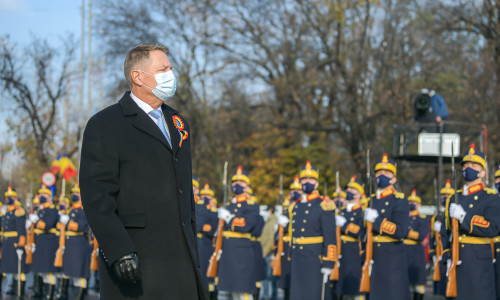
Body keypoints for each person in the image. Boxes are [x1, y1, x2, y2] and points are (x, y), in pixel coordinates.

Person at [79, 43, 206, 300]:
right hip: (137, 262)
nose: (170, 75)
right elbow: (97, 197)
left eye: (170, 68)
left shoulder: (177, 122)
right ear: (137, 76)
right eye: (163, 69)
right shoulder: (106, 124)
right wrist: (118, 251)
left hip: (181, 261)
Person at [442, 144, 500, 299]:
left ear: (482, 172)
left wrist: (464, 218)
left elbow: (493, 228)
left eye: (474, 165)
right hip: (457, 261)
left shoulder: (490, 197)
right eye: (466, 165)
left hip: (478, 263)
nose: (469, 168)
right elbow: (445, 233)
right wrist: (447, 257)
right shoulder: (453, 199)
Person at [279, 161, 337, 300]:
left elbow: (330, 237)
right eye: (304, 179)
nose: (307, 182)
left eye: (311, 179)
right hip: (298, 258)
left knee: (314, 294)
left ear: (316, 183)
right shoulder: (295, 206)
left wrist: (329, 262)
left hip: (315, 259)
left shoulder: (324, 205)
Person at [364, 154, 410, 300]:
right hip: (373, 257)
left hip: (392, 259)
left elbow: (401, 231)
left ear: (394, 179)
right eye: (378, 172)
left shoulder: (399, 200)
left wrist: (377, 220)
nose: (381, 175)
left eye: (386, 172)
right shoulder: (370, 201)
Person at [217, 166, 261, 300]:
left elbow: (246, 225)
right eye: (235, 183)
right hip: (227, 253)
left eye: (241, 183)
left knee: (242, 293)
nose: (237, 185)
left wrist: (229, 218)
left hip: (241, 255)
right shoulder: (229, 205)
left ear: (247, 187)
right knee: (226, 292)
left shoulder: (251, 205)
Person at [56, 182, 92, 300]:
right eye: (73, 193)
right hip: (71, 245)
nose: (74, 195)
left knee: (79, 275)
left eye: (77, 193)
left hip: (79, 245)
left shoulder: (84, 209)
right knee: (71, 274)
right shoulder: (71, 210)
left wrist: (67, 223)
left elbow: (80, 226)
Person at [334, 175, 365, 300]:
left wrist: (345, 225)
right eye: (349, 190)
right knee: (339, 289)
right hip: (340, 252)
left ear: (359, 195)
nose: (349, 192)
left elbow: (361, 232)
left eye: (353, 191)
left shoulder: (361, 212)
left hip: (353, 253)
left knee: (355, 289)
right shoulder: (341, 211)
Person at [29, 185, 59, 299]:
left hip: (48, 244)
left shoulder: (52, 210)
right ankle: (40, 292)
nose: (41, 197)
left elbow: (46, 225)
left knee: (48, 272)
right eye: (40, 195)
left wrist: (36, 221)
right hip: (39, 243)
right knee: (40, 271)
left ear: (49, 197)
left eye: (44, 195)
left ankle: (49, 295)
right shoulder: (40, 210)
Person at [275, 175, 302, 300]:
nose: (294, 193)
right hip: (284, 249)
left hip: (297, 247)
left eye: (297, 190)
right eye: (292, 190)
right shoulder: (287, 208)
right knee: (283, 283)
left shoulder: (302, 207)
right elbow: (278, 236)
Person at [1, 185, 27, 299]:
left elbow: (22, 231)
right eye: (7, 197)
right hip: (6, 243)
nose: (9, 199)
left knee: (18, 270)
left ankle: (19, 294)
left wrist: (21, 246)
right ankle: (12, 290)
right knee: (9, 269)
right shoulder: (6, 214)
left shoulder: (18, 212)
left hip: (14, 243)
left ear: (15, 198)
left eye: (11, 197)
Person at [429, 179, 454, 297]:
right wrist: (432, 252)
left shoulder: (453, 213)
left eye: (448, 195)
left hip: (450, 252)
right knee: (440, 287)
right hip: (439, 253)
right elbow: (432, 238)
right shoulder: (436, 217)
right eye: (443, 195)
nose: (445, 197)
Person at [404, 190, 429, 300]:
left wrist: (406, 232)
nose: (412, 204)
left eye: (415, 202)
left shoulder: (422, 218)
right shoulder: (404, 217)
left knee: (418, 283)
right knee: (406, 282)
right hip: (404, 252)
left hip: (416, 253)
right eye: (410, 202)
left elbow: (421, 235)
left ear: (419, 205)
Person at [196, 183, 218, 300]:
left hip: (206, 245)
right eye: (203, 195)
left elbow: (213, 227)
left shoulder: (211, 209)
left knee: (207, 277)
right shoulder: (196, 204)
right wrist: (201, 227)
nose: (205, 198)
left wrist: (201, 227)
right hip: (196, 242)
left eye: (208, 196)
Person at [260, 204, 277, 300]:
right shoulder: (269, 221)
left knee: (268, 276)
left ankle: (267, 296)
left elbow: (270, 239)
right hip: (266, 251)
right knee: (267, 276)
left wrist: (265, 252)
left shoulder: (272, 222)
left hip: (268, 252)